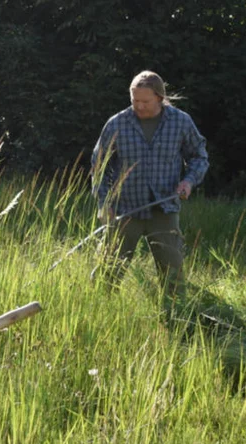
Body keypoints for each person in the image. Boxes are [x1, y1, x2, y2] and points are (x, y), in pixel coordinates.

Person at [91, 70, 209, 297]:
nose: (140, 106)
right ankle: (98, 314)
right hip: (125, 210)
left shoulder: (181, 122)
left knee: (173, 279)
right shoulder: (117, 124)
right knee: (105, 275)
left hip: (164, 209)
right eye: (135, 100)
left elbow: (199, 157)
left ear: (159, 97)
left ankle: (175, 320)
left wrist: (188, 181)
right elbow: (99, 167)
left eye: (145, 101)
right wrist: (104, 203)